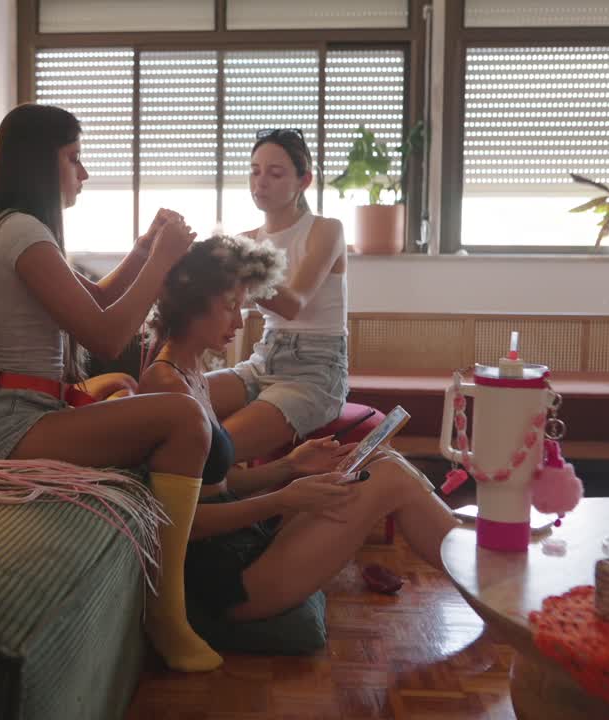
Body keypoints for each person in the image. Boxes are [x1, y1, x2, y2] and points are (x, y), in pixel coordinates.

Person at [0, 103, 221, 672]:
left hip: (18, 411)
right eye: (74, 158)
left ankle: (170, 596)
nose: (84, 171)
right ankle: (167, 615)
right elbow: (106, 332)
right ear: (40, 162)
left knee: (134, 393)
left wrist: (145, 251)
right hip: (11, 425)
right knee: (183, 418)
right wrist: (164, 260)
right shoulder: (21, 231)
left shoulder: (10, 228)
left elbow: (95, 301)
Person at [139, 235, 456, 624]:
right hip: (224, 582)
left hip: (243, 547)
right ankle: (495, 587)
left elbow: (217, 488)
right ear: (193, 303)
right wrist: (283, 499)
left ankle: (490, 580)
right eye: (230, 307)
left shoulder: (192, 374)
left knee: (382, 459)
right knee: (389, 477)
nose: (239, 322)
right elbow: (179, 525)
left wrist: (291, 465)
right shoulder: (167, 387)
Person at [207, 128, 350, 464]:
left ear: (304, 181)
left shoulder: (326, 230)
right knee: (172, 402)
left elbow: (292, 304)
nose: (261, 182)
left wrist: (237, 264)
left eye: (275, 173)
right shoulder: (246, 240)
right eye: (254, 171)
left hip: (315, 372)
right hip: (262, 360)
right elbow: (222, 304)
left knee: (215, 451)